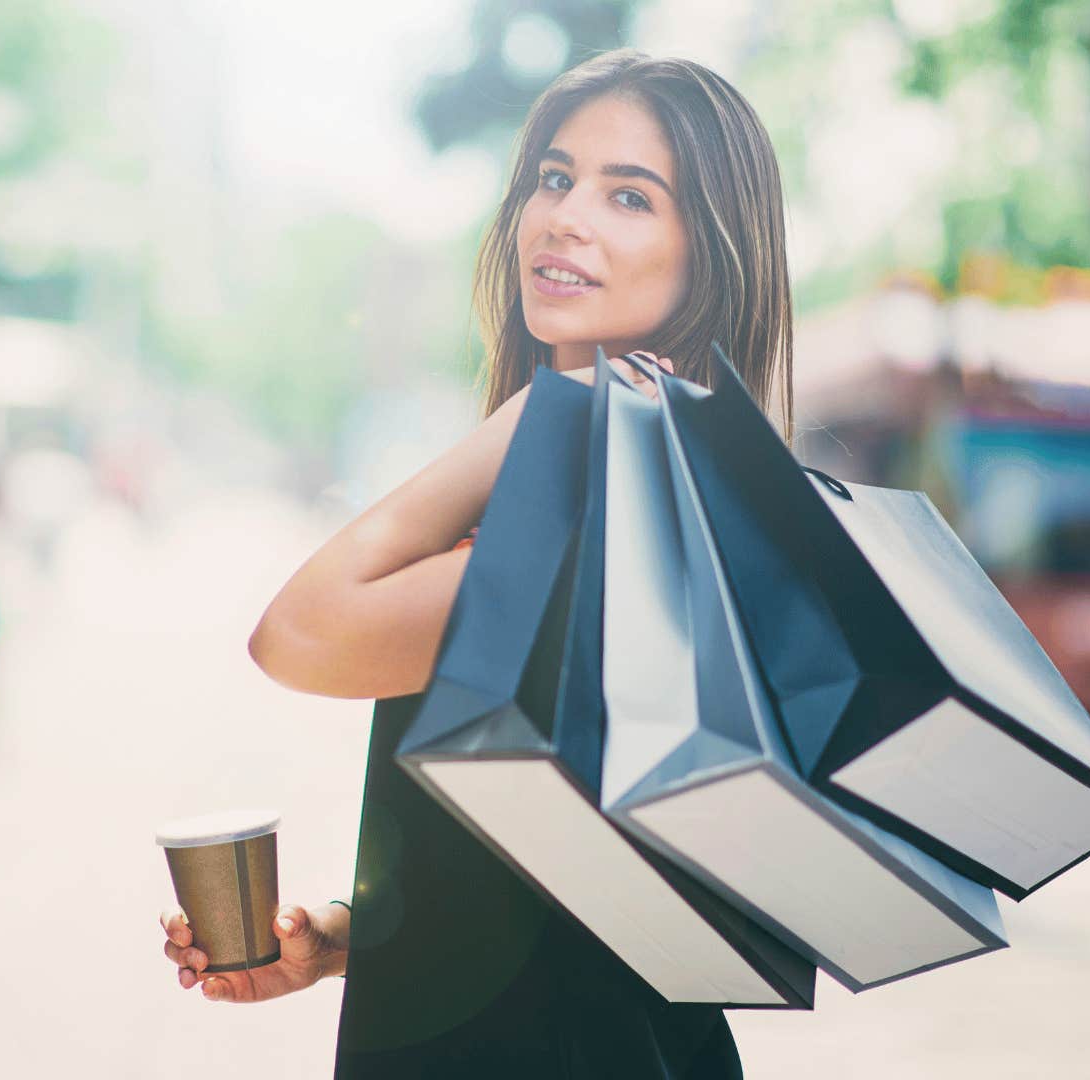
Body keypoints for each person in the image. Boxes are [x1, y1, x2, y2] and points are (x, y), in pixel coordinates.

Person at [158, 50, 794, 1077]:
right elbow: (560, 869)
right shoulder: (592, 502)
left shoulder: (625, 521)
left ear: (708, 259)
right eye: (554, 176)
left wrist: (542, 414)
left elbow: (299, 633)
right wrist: (346, 939)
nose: (564, 216)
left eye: (630, 196)